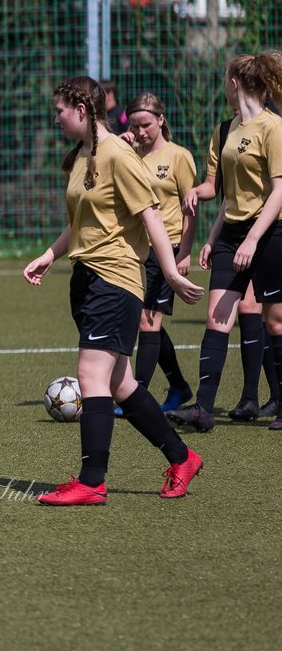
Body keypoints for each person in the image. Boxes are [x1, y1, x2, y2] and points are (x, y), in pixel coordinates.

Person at [23, 76, 204, 505]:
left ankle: (91, 481)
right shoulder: (81, 155)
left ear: (81, 111)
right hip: (85, 278)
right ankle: (182, 458)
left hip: (116, 278)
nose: (56, 118)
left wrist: (172, 272)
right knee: (120, 381)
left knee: (91, 376)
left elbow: (151, 216)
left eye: (60, 111)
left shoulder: (119, 154)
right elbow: (82, 221)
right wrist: (51, 254)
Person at [169, 53, 282, 432]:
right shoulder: (226, 129)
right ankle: (202, 409)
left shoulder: (274, 127)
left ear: (234, 83)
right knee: (216, 320)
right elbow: (227, 194)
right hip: (232, 234)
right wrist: (213, 237)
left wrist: (253, 237)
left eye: (224, 80)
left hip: (269, 232)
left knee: (275, 320)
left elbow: (279, 192)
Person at [122, 93, 196, 412]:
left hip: (170, 247)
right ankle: (178, 387)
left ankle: (136, 398)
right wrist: (122, 145)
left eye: (145, 125)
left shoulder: (179, 157)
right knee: (149, 321)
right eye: (134, 126)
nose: (140, 132)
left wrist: (186, 252)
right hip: (140, 249)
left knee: (147, 321)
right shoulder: (130, 155)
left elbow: (190, 208)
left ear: (161, 120)